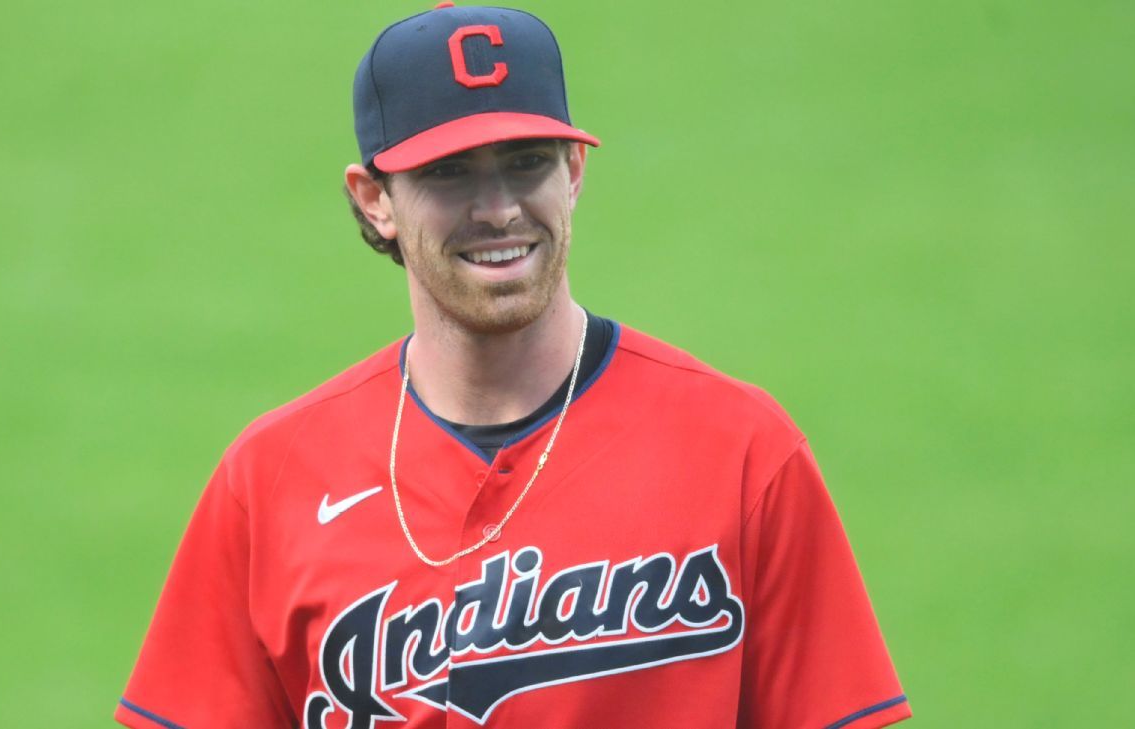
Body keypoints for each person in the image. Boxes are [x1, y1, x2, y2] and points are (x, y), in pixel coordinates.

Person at [116, 3, 911, 728]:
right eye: (449, 173)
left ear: (574, 170)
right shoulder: (271, 479)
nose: (498, 208)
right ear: (374, 199)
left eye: (526, 162)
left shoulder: (742, 450)